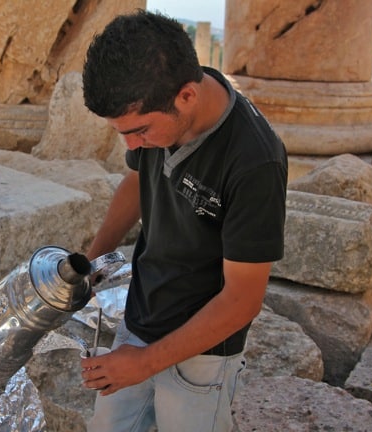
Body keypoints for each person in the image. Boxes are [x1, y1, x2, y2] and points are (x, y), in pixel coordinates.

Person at [79, 10, 288, 432]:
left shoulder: (255, 161)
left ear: (187, 97)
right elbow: (137, 182)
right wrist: (91, 261)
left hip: (204, 353)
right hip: (141, 319)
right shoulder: (157, 103)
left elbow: (243, 301)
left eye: (138, 131)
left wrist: (144, 364)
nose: (131, 143)